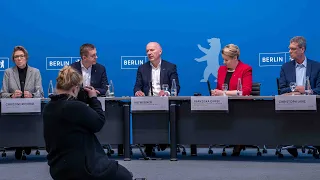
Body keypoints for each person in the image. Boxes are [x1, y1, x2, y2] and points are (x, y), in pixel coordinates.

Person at [42, 66, 133, 180]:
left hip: (57, 168)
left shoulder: (49, 107)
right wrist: (94, 99)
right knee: (125, 175)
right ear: (75, 89)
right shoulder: (75, 107)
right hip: (83, 168)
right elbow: (98, 122)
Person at [133, 41, 180, 156]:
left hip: (165, 101)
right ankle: (149, 145)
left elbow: (176, 86)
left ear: (160, 51)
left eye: (152, 50)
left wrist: (167, 92)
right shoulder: (142, 68)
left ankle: (164, 141)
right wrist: (138, 92)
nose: (149, 53)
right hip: (148, 101)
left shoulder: (170, 67)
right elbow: (137, 86)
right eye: (147, 51)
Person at [278, 36, 320, 157]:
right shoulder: (285, 67)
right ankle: (291, 141)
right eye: (289, 48)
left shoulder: (317, 67)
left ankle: (315, 141)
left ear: (302, 49)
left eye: (293, 49)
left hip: (313, 107)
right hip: (291, 106)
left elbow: (319, 89)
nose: (289, 51)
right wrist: (296, 89)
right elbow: (282, 89)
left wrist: (307, 91)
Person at [0, 45, 44, 159]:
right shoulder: (8, 72)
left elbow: (41, 93)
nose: (19, 59)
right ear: (13, 59)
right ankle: (19, 146)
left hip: (31, 109)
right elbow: (3, 93)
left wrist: (32, 95)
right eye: (16, 57)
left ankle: (27, 144)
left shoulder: (35, 72)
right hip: (13, 109)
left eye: (21, 56)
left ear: (26, 57)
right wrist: (11, 95)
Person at [211, 44, 253, 156]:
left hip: (241, 106)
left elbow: (245, 91)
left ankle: (239, 141)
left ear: (235, 58)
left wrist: (223, 93)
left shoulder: (246, 69)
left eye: (226, 60)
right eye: (223, 59)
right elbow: (220, 88)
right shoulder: (221, 70)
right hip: (223, 104)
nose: (224, 62)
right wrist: (216, 92)